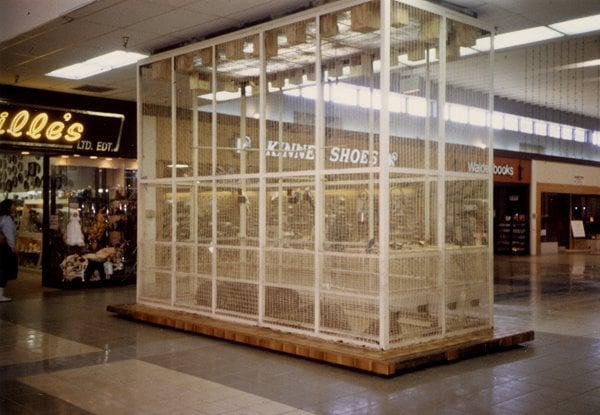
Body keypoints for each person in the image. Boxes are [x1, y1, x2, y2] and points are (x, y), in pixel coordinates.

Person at [0, 199, 18, 302]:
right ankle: (0, 294)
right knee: (4, 270)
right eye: (13, 205)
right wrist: (13, 247)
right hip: (4, 248)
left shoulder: (1, 217)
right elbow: (9, 234)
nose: (15, 207)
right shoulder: (6, 219)